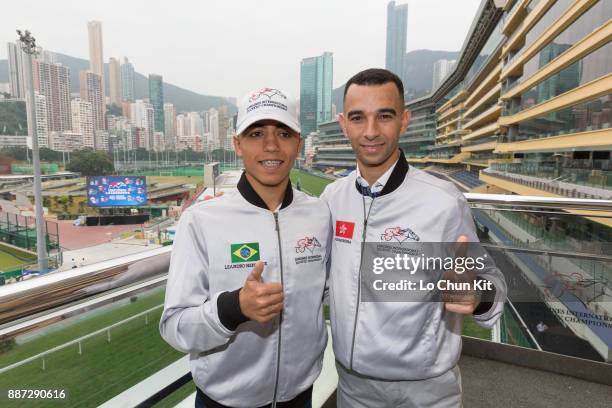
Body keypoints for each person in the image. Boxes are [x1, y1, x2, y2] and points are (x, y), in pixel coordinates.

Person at [320, 68, 507, 407]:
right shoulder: (332, 199)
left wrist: (477, 295)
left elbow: (491, 281)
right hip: (352, 386)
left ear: (404, 121)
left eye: (385, 116)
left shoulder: (443, 200)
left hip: (424, 391)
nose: (371, 131)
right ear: (343, 123)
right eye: (358, 118)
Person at [160, 87, 330, 408]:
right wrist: (233, 308)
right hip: (223, 402)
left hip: (301, 396)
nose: (270, 145)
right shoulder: (201, 221)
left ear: (299, 143)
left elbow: (337, 289)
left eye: (283, 132)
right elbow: (175, 326)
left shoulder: (320, 214)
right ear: (237, 144)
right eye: (256, 133)